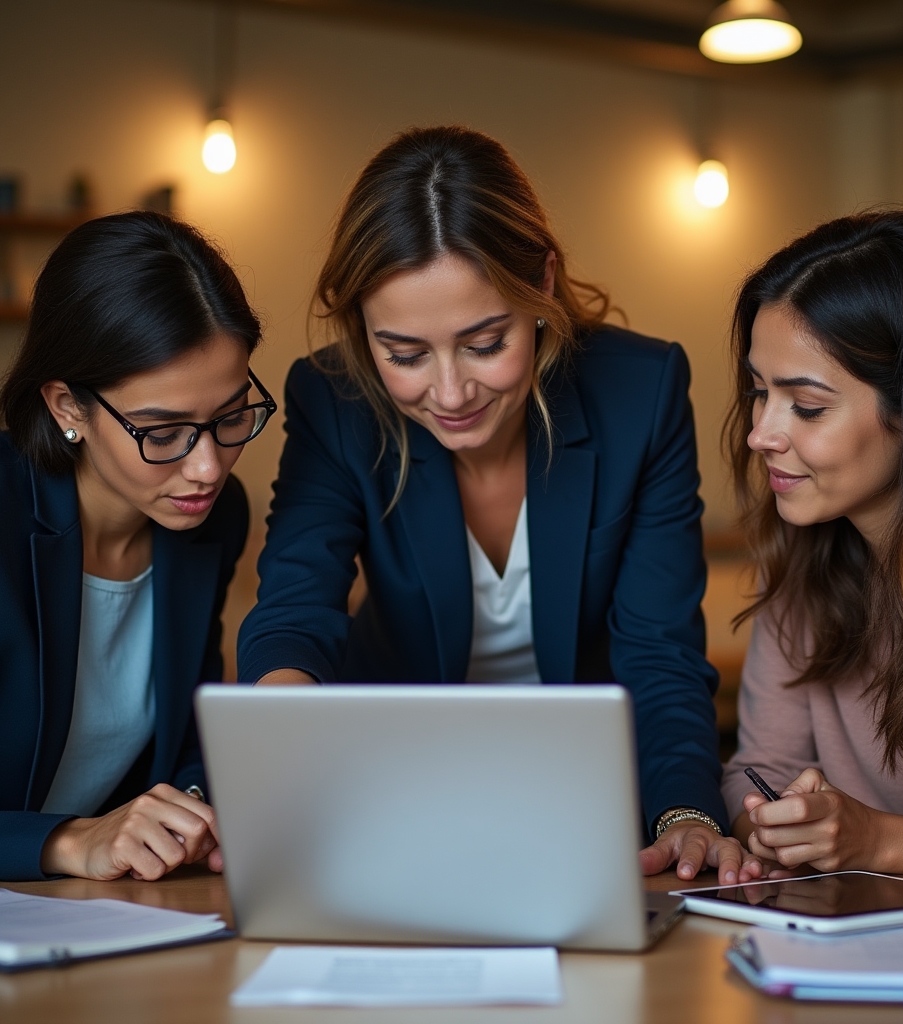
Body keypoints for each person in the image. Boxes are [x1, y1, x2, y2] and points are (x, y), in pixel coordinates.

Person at [237, 125, 755, 883]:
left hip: (584, 799)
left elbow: (659, 649)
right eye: (404, 354)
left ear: (541, 284)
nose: (450, 393)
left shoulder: (639, 392)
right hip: (392, 788)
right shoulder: (334, 399)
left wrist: (684, 814)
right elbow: (294, 606)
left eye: (484, 344)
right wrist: (283, 742)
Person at [720, 210, 903, 887]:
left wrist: (872, 840)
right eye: (759, 393)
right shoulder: (807, 532)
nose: (760, 434)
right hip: (863, 928)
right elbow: (758, 770)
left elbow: (863, 841)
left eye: (806, 406)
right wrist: (776, 823)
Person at [0, 211, 276, 882]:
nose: (208, 468)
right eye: (162, 431)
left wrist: (192, 809)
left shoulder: (213, 519)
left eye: (231, 416)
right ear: (67, 407)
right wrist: (70, 841)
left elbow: (187, 739)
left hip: (110, 909)